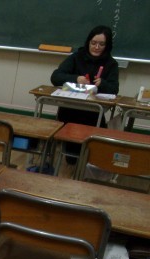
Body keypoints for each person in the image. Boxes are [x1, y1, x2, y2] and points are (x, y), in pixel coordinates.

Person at [51, 25, 119, 163]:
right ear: (88, 42)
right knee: (72, 158)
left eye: (101, 44)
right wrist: (76, 78)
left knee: (94, 153)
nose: (96, 47)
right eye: (93, 43)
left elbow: (114, 89)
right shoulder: (77, 57)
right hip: (71, 110)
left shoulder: (111, 63)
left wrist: (103, 83)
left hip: (93, 114)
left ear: (107, 46)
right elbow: (55, 77)